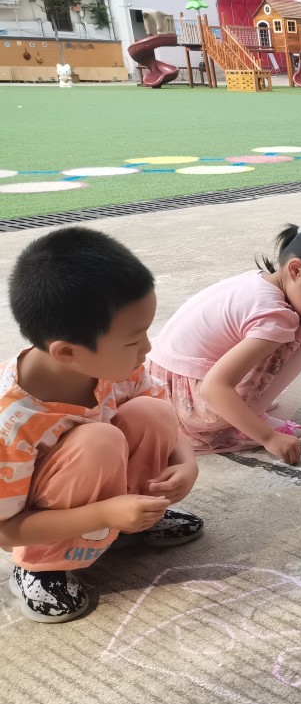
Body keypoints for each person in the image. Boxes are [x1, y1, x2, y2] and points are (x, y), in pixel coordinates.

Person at [1, 228, 201, 623]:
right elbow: (5, 531)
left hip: (103, 501)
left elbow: (162, 414)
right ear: (68, 352)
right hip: (43, 522)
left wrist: (186, 462)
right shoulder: (12, 422)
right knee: (99, 439)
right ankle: (41, 567)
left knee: (152, 412)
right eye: (133, 340)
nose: (147, 348)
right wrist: (104, 514)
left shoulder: (115, 367)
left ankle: (133, 524)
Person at [147, 223, 301, 464]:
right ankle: (245, 422)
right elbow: (214, 388)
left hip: (157, 386)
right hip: (188, 405)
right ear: (296, 270)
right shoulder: (274, 315)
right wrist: (268, 437)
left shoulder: (258, 280)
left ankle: (245, 410)